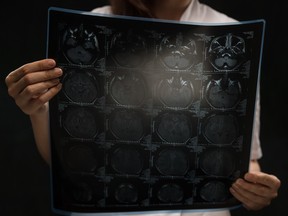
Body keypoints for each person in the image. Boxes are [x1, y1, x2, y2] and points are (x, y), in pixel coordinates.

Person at [5, 0, 281, 216]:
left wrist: (255, 187)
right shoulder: (91, 29)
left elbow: (243, 157)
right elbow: (71, 162)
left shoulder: (233, 36)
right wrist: (38, 111)